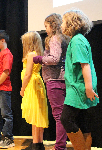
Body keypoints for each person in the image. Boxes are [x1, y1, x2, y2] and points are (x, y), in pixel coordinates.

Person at [60, 9, 99, 150]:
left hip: (79, 88)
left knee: (66, 119)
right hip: (78, 86)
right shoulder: (77, 40)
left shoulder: (77, 41)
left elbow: (85, 65)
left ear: (71, 23)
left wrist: (88, 88)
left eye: (63, 22)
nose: (61, 25)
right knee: (82, 121)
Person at [33, 13, 70, 150]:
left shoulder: (54, 39)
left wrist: (39, 59)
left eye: (46, 26)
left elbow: (54, 59)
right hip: (61, 79)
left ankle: (60, 146)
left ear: (53, 25)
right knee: (62, 115)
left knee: (59, 116)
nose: (46, 29)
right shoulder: (63, 38)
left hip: (55, 80)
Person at [20, 31, 48, 150]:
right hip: (36, 83)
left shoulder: (31, 54)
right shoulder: (38, 53)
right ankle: (37, 143)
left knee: (36, 113)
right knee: (37, 113)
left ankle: (37, 144)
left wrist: (22, 89)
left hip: (32, 84)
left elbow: (27, 74)